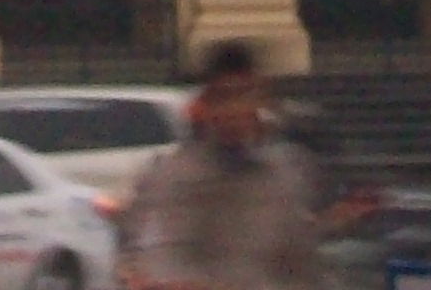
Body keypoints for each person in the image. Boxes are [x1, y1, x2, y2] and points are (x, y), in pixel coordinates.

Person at [121, 42, 328, 290]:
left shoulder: (285, 175)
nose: (233, 110)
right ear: (205, 105)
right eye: (223, 97)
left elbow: (302, 265)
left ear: (262, 100)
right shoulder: (173, 176)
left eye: (244, 95)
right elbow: (156, 255)